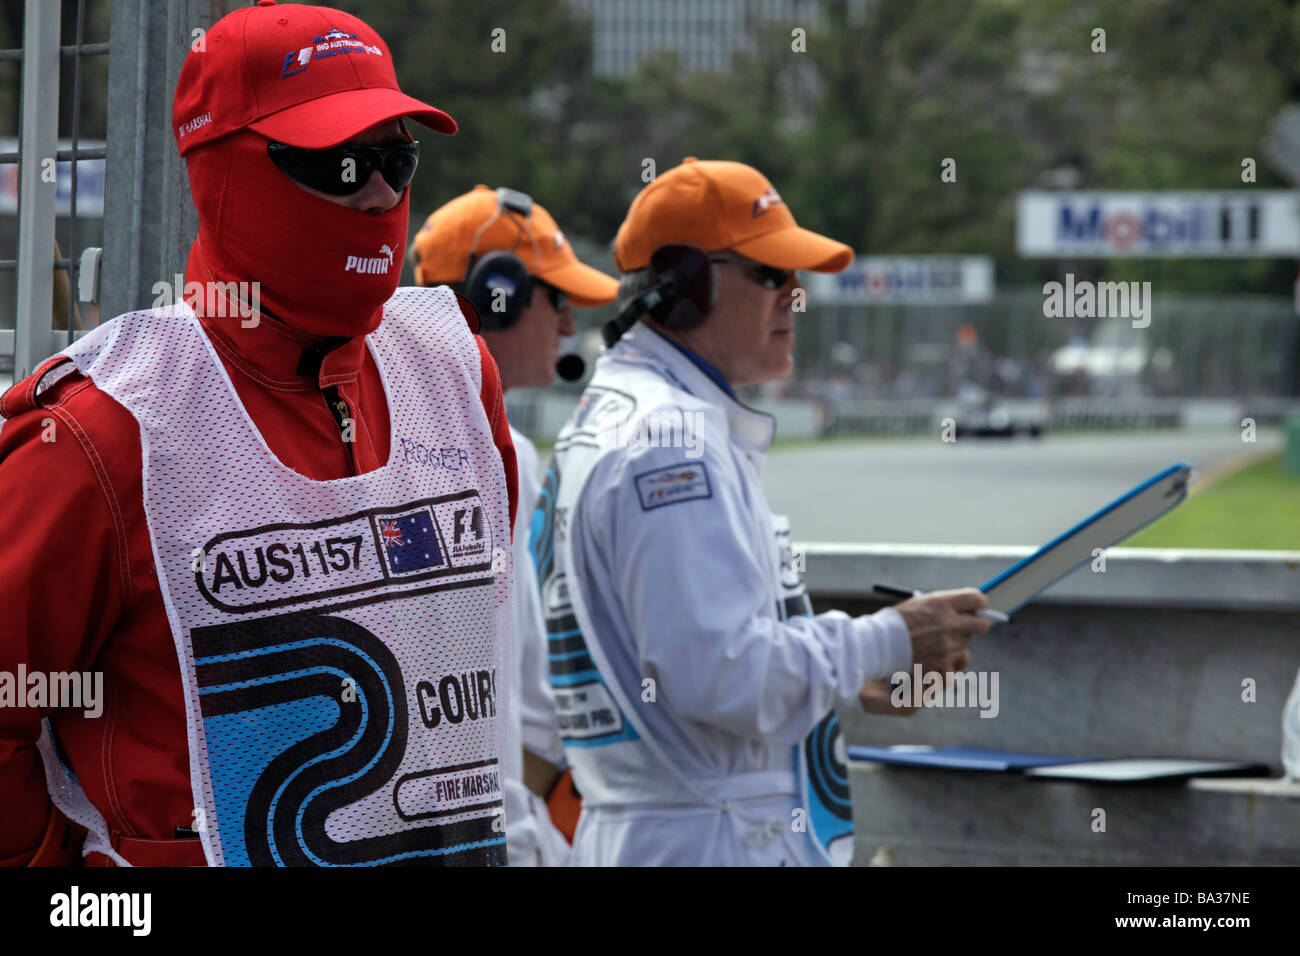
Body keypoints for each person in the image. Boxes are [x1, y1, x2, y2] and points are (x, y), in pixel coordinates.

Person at [0, 2, 518, 867]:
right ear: (223, 171)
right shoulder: (110, 428)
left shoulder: (456, 371)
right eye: (343, 163)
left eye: (398, 158)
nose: (382, 193)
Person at [531, 157, 991, 866]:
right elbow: (720, 673)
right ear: (684, 286)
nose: (797, 297)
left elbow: (690, 664)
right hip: (704, 842)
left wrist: (845, 676)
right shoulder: (669, 440)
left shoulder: (633, 415)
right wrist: (888, 638)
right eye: (772, 275)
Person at [410, 185, 619, 864]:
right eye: (557, 300)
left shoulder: (398, 425)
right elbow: (515, 697)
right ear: (496, 292)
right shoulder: (500, 455)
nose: (567, 327)